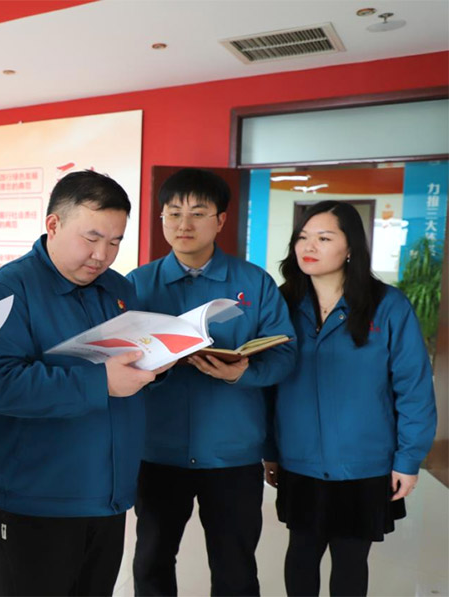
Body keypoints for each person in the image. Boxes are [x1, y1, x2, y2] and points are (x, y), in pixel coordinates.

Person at [0, 170, 168, 596]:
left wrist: (154, 363)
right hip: (35, 501)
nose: (102, 255)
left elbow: (124, 369)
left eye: (115, 241)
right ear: (53, 224)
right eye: (91, 237)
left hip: (106, 496)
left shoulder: (118, 290)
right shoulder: (9, 289)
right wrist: (101, 382)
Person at [127, 168, 296, 596]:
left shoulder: (254, 283)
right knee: (151, 561)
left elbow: (286, 354)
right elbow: (117, 360)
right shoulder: (137, 284)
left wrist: (244, 372)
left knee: (235, 567)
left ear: (220, 220)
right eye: (173, 213)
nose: (183, 224)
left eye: (198, 213)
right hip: (157, 451)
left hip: (232, 453)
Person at [267, 200, 436, 596]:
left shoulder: (388, 305)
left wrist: (408, 459)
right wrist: (269, 449)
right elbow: (267, 386)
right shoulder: (282, 305)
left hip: (364, 462)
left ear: (350, 248)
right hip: (299, 458)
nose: (309, 246)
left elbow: (413, 388)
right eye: (303, 237)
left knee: (350, 560)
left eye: (324, 238)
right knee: (301, 552)